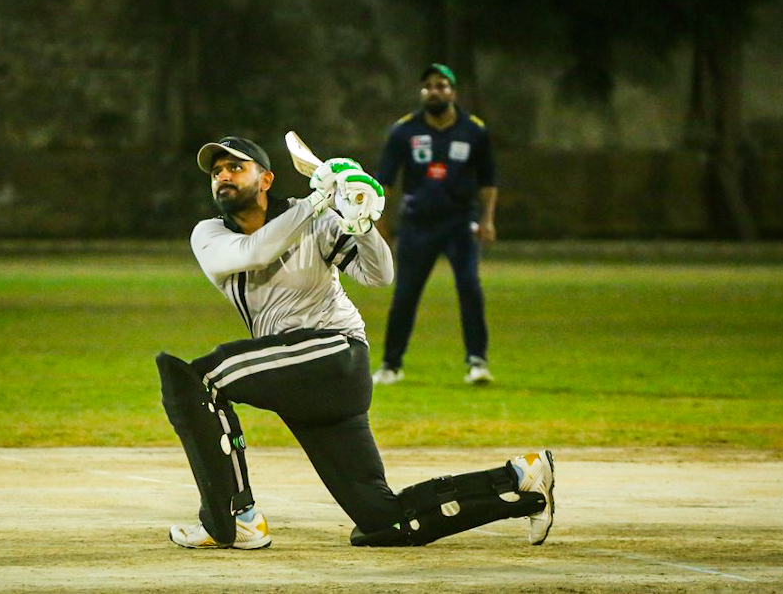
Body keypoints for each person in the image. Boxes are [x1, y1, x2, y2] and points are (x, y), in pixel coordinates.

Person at [155, 135, 555, 550]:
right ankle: (521, 479)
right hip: (297, 375)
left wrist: (360, 223)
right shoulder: (209, 234)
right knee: (384, 521)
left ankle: (237, 518)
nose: (222, 176)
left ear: (267, 180)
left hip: (335, 354)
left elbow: (379, 275)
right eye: (216, 172)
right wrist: (319, 200)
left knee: (198, 379)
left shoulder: (313, 219)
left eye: (235, 168)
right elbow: (254, 252)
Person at [373, 63, 498, 386]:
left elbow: (488, 181)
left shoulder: (473, 130)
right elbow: (384, 182)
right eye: (428, 86)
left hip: (460, 223)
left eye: (441, 85)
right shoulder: (404, 131)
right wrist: (382, 227)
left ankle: (477, 361)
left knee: (470, 288)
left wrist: (487, 219)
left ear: (452, 92)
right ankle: (390, 365)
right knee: (405, 294)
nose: (434, 91)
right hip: (418, 225)